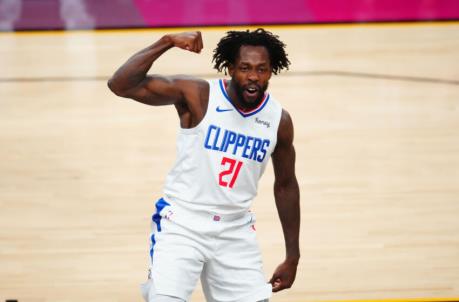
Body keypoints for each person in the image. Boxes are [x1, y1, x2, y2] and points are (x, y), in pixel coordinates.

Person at [108, 29, 300, 302]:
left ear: (271, 72)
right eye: (245, 68)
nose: (253, 76)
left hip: (235, 230)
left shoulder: (279, 120)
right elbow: (121, 84)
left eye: (261, 69)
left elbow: (286, 186)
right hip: (182, 225)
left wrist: (293, 255)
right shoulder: (199, 95)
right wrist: (167, 42)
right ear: (231, 68)